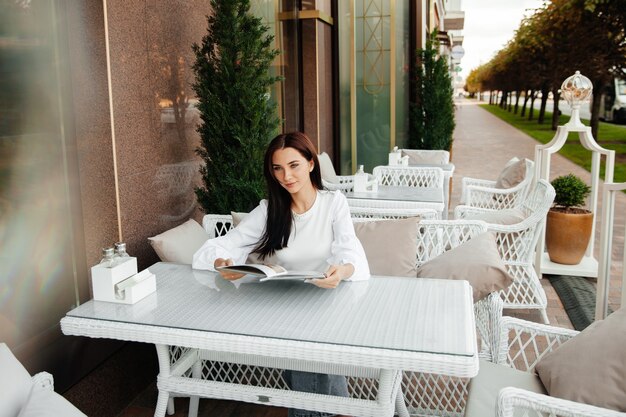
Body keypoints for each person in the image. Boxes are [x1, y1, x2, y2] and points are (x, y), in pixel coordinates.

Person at [192, 131, 369, 417]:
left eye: (294, 165)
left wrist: (342, 270)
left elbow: (351, 253)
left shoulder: (333, 203)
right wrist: (221, 262)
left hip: (330, 304)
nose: (286, 176)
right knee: (307, 363)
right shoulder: (269, 210)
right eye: (278, 168)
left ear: (311, 163)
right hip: (286, 309)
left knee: (307, 362)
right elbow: (219, 246)